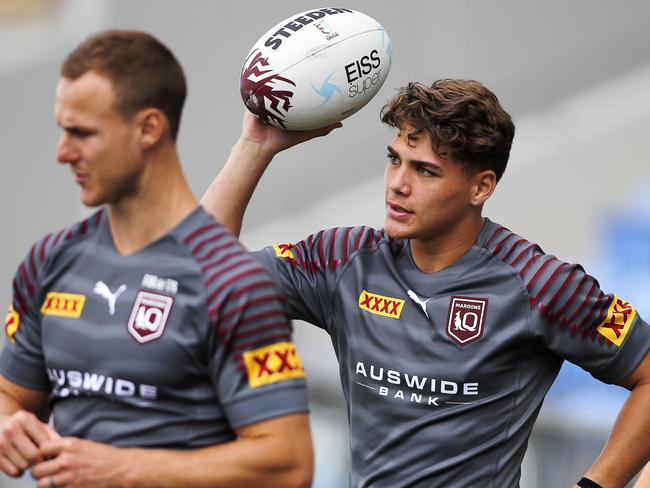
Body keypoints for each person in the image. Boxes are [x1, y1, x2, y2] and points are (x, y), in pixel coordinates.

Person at [202, 79, 650, 487]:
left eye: (424, 170)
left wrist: (595, 486)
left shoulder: (541, 284)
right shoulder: (343, 260)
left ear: (481, 187)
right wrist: (254, 146)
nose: (397, 184)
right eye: (394, 160)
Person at [0, 30, 313, 488]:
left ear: (148, 129)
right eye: (62, 130)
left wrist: (124, 469)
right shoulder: (51, 259)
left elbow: (288, 464)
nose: (62, 153)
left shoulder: (232, 281)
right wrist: (7, 422)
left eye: (82, 133)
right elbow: (11, 394)